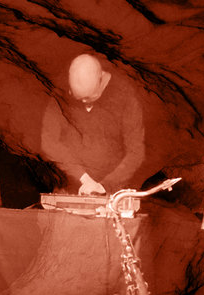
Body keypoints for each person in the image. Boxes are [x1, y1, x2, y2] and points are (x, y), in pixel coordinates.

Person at [40, 53, 145, 195]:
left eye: (89, 97)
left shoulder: (125, 96)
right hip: (71, 186)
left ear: (101, 79)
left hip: (113, 190)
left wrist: (105, 185)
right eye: (79, 98)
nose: (84, 102)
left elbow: (136, 152)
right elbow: (49, 142)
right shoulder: (61, 93)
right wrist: (83, 177)